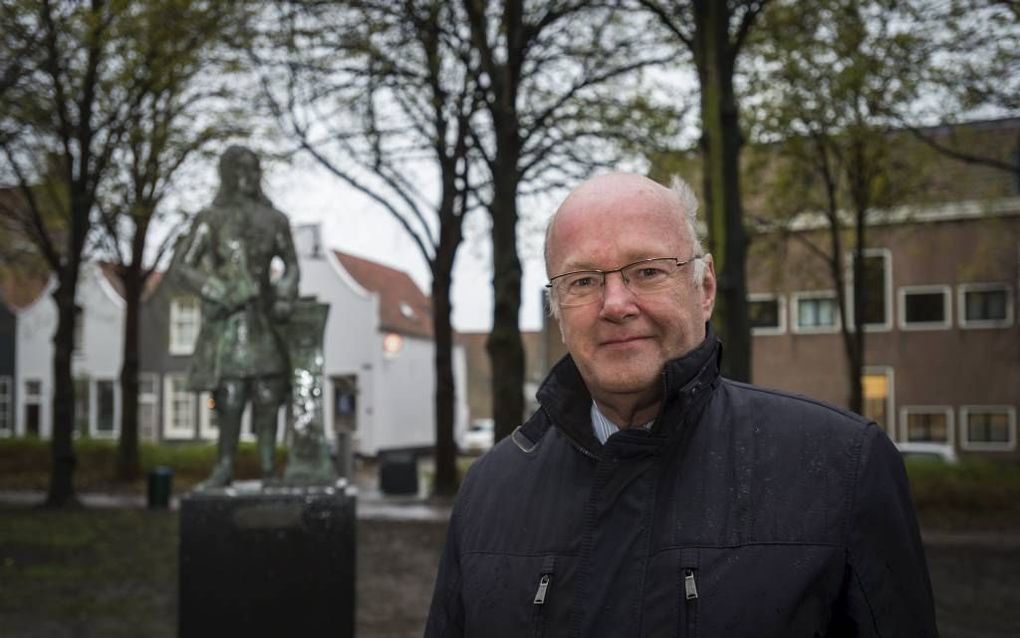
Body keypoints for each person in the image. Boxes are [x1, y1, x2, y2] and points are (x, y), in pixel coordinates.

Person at [425, 173, 936, 636]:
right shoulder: (488, 493)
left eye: (646, 271)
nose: (616, 304)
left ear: (705, 287)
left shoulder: (840, 467)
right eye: (582, 281)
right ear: (558, 310)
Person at [174, 145, 300, 488]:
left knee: (268, 394)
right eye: (241, 169)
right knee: (230, 395)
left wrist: (285, 294)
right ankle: (224, 465)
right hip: (229, 321)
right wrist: (218, 289)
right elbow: (182, 266)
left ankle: (269, 469)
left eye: (254, 169)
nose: (249, 176)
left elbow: (291, 265)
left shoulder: (275, 221)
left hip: (264, 319)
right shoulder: (209, 219)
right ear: (227, 174)